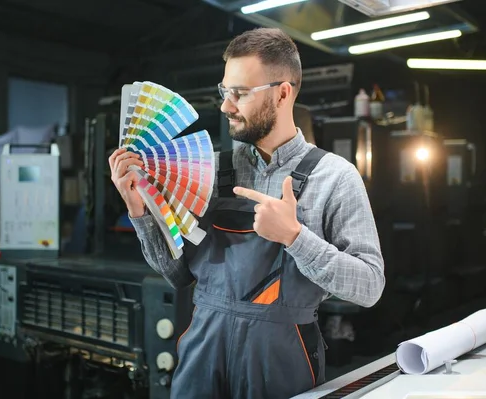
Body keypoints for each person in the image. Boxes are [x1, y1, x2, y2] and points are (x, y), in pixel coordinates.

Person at [109, 27, 385, 399]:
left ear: (283, 93)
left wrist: (295, 238)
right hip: (203, 355)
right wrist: (140, 213)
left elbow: (369, 287)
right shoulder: (207, 170)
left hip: (280, 362)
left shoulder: (334, 178)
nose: (226, 106)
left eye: (240, 94)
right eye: (225, 92)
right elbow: (177, 275)